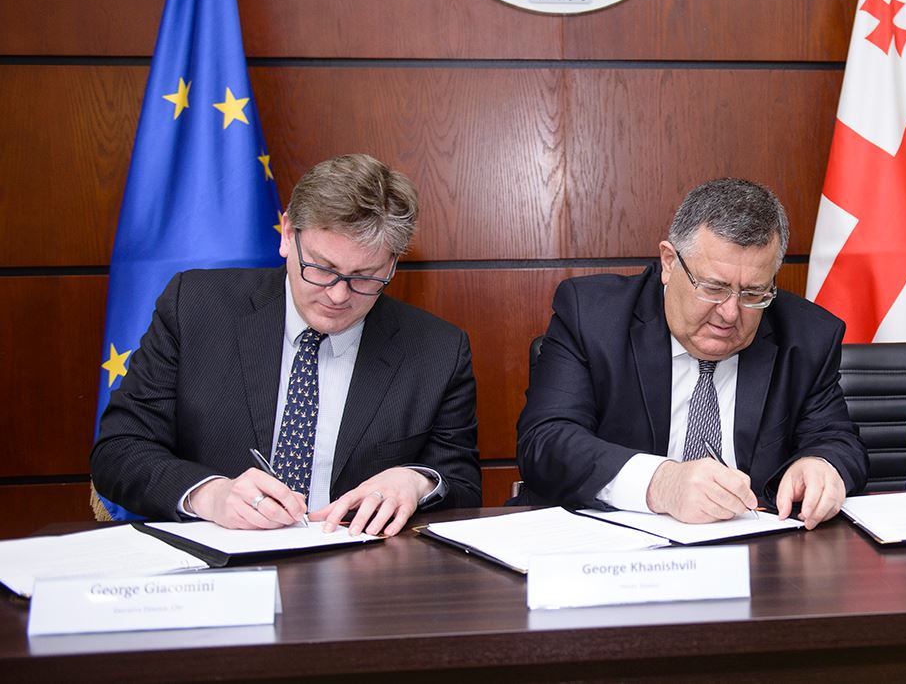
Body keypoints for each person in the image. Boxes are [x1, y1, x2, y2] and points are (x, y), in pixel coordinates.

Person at [91, 154, 480, 535]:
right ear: (288, 234)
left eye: (365, 276)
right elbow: (119, 450)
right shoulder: (195, 308)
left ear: (392, 264)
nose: (339, 295)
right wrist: (209, 495)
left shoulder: (438, 351)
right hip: (222, 563)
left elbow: (462, 485)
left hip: (361, 565)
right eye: (322, 268)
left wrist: (417, 482)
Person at [514, 178, 866, 528]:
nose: (730, 313)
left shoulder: (808, 336)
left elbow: (838, 441)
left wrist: (822, 465)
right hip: (610, 546)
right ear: (669, 263)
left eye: (752, 294)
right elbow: (546, 441)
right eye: (713, 288)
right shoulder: (592, 317)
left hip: (755, 549)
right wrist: (660, 482)